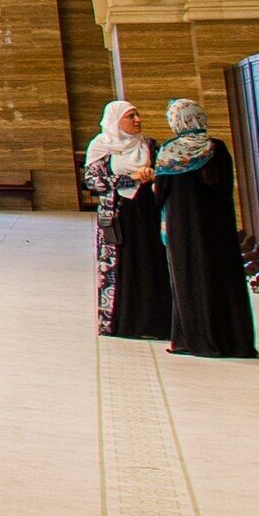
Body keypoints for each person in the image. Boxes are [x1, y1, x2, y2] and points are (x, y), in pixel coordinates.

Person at [155, 97, 257, 359]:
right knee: (223, 279)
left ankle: (195, 340)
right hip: (219, 228)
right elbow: (225, 187)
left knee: (190, 280)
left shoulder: (170, 152)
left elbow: (159, 195)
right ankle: (234, 341)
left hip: (184, 230)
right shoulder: (217, 148)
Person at [83, 99, 169, 339]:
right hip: (118, 215)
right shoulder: (101, 146)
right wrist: (130, 178)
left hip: (147, 211)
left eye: (137, 115)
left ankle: (157, 321)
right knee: (122, 267)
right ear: (115, 121)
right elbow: (93, 182)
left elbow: (166, 173)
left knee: (152, 263)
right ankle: (124, 323)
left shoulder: (149, 146)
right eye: (130, 117)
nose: (137, 120)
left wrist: (152, 175)